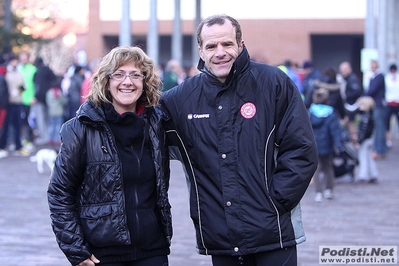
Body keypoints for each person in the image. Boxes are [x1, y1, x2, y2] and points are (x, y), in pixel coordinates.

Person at [160, 14, 318, 266]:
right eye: (211, 46)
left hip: (274, 233)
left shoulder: (273, 83)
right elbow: (139, 131)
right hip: (220, 237)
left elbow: (301, 149)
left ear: (241, 45)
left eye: (227, 44)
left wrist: (276, 202)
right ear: (201, 51)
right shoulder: (180, 99)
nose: (219, 52)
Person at [47, 46, 172, 266]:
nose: (127, 81)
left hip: (152, 250)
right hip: (102, 255)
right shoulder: (80, 129)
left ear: (145, 82)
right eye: (119, 74)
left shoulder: (156, 125)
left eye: (136, 74)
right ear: (106, 81)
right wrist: (76, 250)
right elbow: (60, 193)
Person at [309, 88, 345, 202]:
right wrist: (339, 144)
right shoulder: (331, 113)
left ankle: (318, 192)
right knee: (328, 167)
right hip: (327, 145)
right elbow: (335, 130)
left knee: (316, 169)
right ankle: (329, 190)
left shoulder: (310, 112)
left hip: (314, 145)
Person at [0, 54, 29, 157]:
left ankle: (18, 146)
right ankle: (2, 146)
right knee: (6, 126)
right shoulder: (6, 73)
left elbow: (23, 86)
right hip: (9, 103)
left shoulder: (19, 73)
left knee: (18, 125)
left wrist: (19, 91)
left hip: (18, 101)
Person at [353, 96, 378, 183]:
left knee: (363, 158)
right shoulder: (371, 115)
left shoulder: (364, 117)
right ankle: (373, 175)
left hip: (365, 140)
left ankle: (362, 176)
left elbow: (363, 131)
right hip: (370, 139)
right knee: (369, 158)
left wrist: (359, 141)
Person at [366, 60, 387, 159]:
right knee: (378, 127)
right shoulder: (374, 76)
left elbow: (372, 90)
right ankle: (380, 150)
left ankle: (379, 150)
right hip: (375, 104)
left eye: (374, 66)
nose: (372, 67)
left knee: (379, 128)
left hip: (378, 105)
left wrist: (363, 96)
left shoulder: (379, 76)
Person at [32, 57, 56, 145]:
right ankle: (51, 137)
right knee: (49, 118)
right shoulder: (49, 70)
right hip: (50, 97)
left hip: (39, 98)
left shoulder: (37, 72)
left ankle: (44, 137)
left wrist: (35, 96)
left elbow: (36, 86)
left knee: (40, 118)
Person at [339, 61, 363, 141]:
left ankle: (355, 139)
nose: (342, 72)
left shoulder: (352, 79)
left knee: (351, 123)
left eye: (343, 70)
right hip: (349, 105)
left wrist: (346, 95)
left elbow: (356, 91)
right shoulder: (347, 79)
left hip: (352, 105)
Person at [18, 51, 37, 150]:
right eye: (22, 58)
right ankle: (23, 140)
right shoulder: (19, 69)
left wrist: (34, 96)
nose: (23, 60)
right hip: (20, 99)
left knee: (29, 121)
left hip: (30, 99)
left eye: (25, 58)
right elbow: (19, 84)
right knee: (21, 121)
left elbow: (36, 85)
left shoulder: (33, 69)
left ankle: (30, 140)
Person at [45, 76, 67, 146]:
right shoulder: (59, 92)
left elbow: (47, 102)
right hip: (59, 111)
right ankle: (57, 139)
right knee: (58, 126)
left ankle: (50, 138)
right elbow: (64, 101)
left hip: (51, 111)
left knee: (51, 125)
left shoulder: (48, 93)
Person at [384, 63, 399, 148]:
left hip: (397, 103)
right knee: (387, 123)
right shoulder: (387, 78)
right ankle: (388, 140)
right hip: (389, 103)